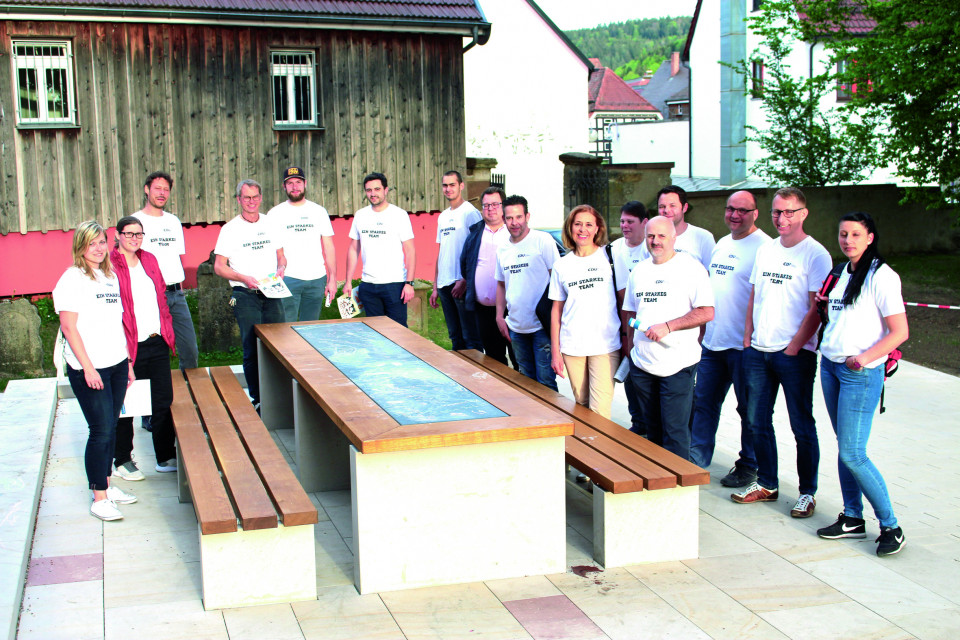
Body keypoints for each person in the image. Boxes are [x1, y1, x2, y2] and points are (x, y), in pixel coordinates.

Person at [731, 187, 832, 519]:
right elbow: (754, 296)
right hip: (758, 351)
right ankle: (767, 483)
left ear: (803, 214)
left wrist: (794, 347)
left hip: (794, 355)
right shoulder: (766, 249)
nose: (781, 218)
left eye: (789, 212)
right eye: (777, 212)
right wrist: (748, 338)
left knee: (801, 425)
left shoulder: (816, 254)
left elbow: (817, 308)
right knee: (756, 420)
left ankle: (807, 492)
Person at [816, 212, 908, 557]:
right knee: (846, 446)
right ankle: (853, 518)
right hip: (832, 366)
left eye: (856, 234)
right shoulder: (842, 272)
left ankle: (891, 526)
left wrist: (864, 359)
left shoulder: (882, 276)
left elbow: (900, 331)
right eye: (843, 234)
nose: (848, 240)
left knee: (854, 453)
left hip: (859, 372)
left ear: (870, 237)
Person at [53, 221, 137, 521]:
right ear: (80, 246)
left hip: (116, 363)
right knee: (100, 430)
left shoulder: (109, 275)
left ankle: (107, 485)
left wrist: (127, 362)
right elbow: (69, 327)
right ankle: (98, 497)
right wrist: (88, 369)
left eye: (102, 242)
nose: (99, 248)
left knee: (111, 426)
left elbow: (116, 323)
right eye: (92, 243)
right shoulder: (72, 279)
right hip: (89, 368)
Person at [690, 191, 770, 487]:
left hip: (743, 346)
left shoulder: (764, 247)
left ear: (755, 213)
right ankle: (696, 459)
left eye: (743, 210)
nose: (735, 215)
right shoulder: (722, 243)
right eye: (731, 209)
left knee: (748, 410)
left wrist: (751, 342)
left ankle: (749, 465)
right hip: (713, 343)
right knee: (704, 403)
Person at [622, 216, 714, 460]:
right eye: (651, 236)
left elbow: (707, 312)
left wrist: (668, 326)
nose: (655, 241)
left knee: (674, 433)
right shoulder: (639, 270)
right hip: (642, 365)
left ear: (674, 237)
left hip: (677, 364)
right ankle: (657, 480)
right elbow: (631, 313)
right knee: (653, 433)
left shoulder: (691, 268)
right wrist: (631, 350)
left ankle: (679, 482)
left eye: (662, 235)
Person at [110, 216, 178, 480]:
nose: (134, 239)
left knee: (162, 401)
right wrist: (124, 352)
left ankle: (165, 456)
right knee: (128, 404)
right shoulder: (110, 264)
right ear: (118, 235)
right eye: (129, 234)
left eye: (139, 234)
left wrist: (166, 327)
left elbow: (161, 296)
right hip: (130, 345)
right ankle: (123, 460)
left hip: (156, 340)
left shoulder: (149, 259)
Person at [213, 179, 287, 410]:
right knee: (252, 346)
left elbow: (281, 255)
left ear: (261, 198)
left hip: (271, 290)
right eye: (247, 197)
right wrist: (242, 277)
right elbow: (219, 266)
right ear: (239, 200)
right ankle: (258, 399)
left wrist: (282, 268)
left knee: (278, 343)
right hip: (245, 293)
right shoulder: (230, 229)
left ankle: (279, 397)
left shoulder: (271, 223)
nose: (251, 201)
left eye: (255, 197)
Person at [549, 204, 621, 416]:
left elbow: (624, 301)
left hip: (605, 344)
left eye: (589, 224)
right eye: (578, 224)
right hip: (573, 345)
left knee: (599, 411)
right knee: (582, 405)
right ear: (570, 227)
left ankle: (602, 440)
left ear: (598, 228)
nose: (583, 229)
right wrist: (556, 352)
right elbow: (556, 311)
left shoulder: (610, 258)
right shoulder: (562, 265)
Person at [132, 171, 199, 370]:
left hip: (176, 295)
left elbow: (175, 258)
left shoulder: (173, 221)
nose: (162, 193)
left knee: (189, 349)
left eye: (166, 190)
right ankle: (154, 387)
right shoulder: (134, 222)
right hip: (149, 296)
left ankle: (189, 385)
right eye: (157, 189)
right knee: (153, 350)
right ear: (147, 190)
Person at [496, 195, 560, 390]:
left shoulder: (542, 241)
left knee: (546, 383)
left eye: (519, 217)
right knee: (526, 383)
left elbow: (558, 280)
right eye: (509, 218)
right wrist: (499, 316)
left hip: (541, 326)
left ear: (527, 216)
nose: (514, 222)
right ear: (504, 219)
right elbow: (501, 284)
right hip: (516, 327)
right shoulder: (502, 248)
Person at [343, 172, 416, 326]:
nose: (373, 193)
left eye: (377, 189)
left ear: (385, 190)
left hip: (394, 284)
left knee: (398, 332)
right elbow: (353, 249)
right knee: (374, 331)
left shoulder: (399, 215)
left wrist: (409, 283)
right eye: (369, 190)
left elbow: (410, 250)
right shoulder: (360, 215)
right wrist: (348, 281)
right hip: (368, 285)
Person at [267, 166, 337, 322]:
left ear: (305, 184)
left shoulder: (318, 211)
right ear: (284, 186)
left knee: (311, 327)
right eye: (290, 183)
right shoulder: (275, 214)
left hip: (317, 278)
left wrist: (332, 278)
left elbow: (329, 248)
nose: (294, 187)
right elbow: (274, 249)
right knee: (286, 327)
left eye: (298, 182)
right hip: (288, 278)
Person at [460, 186, 516, 368]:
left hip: (511, 308)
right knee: (493, 359)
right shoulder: (475, 233)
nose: (490, 209)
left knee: (518, 357)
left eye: (495, 204)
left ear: (503, 206)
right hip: (483, 309)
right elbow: (465, 264)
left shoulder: (513, 232)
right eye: (486, 205)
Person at [429, 170, 482, 349]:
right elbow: (441, 252)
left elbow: (477, 250)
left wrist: (465, 279)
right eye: (445, 185)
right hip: (444, 284)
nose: (448, 189)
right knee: (455, 336)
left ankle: (475, 368)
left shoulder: (470, 213)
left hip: (460, 284)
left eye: (452, 185)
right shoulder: (442, 216)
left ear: (461, 186)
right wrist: (435, 286)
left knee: (470, 338)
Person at [610, 201, 650, 435]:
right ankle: (638, 422)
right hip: (622, 321)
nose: (625, 225)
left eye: (630, 222)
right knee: (629, 373)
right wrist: (625, 333)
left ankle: (650, 424)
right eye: (622, 221)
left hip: (644, 321)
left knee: (644, 375)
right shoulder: (614, 248)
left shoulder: (650, 247)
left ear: (644, 222)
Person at [656, 185, 715, 270]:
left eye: (672, 206)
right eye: (662, 206)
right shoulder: (651, 238)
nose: (666, 210)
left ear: (685, 208)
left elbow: (711, 272)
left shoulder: (703, 237)